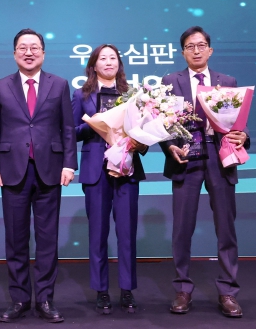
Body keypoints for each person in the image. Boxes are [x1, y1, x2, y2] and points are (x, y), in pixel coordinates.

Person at [0, 29, 77, 323]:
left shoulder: (59, 84)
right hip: (12, 171)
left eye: (34, 47)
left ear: (43, 53)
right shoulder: (0, 86)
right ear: (14, 54)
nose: (29, 52)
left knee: (48, 239)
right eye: (23, 48)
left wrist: (69, 164)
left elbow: (67, 128)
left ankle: (46, 299)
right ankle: (20, 299)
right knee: (16, 239)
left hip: (50, 170)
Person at [160, 26, 250, 318]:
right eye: (190, 46)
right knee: (182, 227)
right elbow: (162, 123)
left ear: (210, 50)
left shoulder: (227, 82)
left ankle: (228, 291)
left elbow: (238, 122)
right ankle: (182, 289)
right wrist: (170, 147)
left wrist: (243, 136)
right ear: (182, 52)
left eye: (201, 45)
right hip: (186, 156)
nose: (196, 50)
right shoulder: (170, 81)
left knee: (226, 226)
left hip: (219, 155)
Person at [71, 44, 148, 315]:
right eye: (102, 58)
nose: (108, 62)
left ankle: (127, 289)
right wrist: (94, 124)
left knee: (127, 233)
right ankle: (101, 290)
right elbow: (71, 131)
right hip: (96, 170)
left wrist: (140, 143)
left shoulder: (133, 94)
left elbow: (144, 132)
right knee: (98, 233)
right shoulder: (81, 94)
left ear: (119, 63)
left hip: (127, 168)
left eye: (112, 58)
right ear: (93, 65)